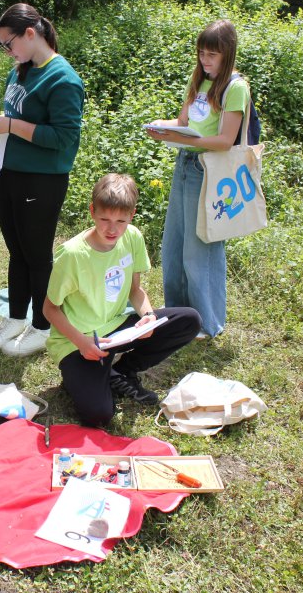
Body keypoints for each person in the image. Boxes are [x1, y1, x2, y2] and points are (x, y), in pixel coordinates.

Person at [43, 174, 201, 427]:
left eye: (121, 221)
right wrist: (82, 343)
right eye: (104, 219)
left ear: (132, 215)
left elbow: (135, 290)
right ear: (92, 211)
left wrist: (147, 316)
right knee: (98, 415)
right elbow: (50, 309)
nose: (112, 229)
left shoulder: (132, 237)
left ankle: (123, 371)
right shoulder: (72, 254)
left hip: (117, 328)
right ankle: (88, 373)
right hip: (80, 340)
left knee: (189, 320)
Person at [0, 3, 85, 357]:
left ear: (30, 33)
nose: (8, 52)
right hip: (11, 174)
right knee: (16, 252)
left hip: (42, 180)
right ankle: (16, 316)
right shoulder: (20, 72)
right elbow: (14, 118)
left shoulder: (63, 78)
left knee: (37, 255)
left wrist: (10, 125)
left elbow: (64, 137)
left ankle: (43, 324)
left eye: (9, 43)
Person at [145, 19, 249, 338]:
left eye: (212, 54)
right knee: (174, 243)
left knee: (200, 247)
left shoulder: (235, 87)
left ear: (227, 54)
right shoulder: (199, 82)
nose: (205, 60)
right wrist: (161, 129)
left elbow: (224, 140)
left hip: (210, 169)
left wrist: (187, 141)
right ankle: (179, 315)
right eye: (202, 53)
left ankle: (206, 321)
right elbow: (184, 123)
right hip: (185, 164)